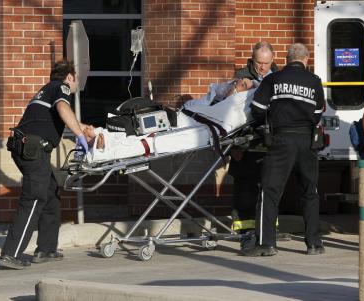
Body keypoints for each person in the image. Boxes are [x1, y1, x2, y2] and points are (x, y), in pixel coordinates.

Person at [0, 60, 89, 269]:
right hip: (34, 150)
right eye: (76, 80)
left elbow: (63, 115)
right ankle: (10, 254)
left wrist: (85, 130)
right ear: (69, 76)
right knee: (34, 198)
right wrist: (79, 136)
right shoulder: (61, 87)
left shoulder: (46, 90)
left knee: (51, 194)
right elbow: (63, 108)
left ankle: (46, 249)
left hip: (27, 148)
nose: (76, 85)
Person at [243, 43, 325, 257]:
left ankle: (266, 244)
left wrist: (267, 121)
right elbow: (318, 112)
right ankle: (314, 243)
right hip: (307, 140)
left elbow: (258, 109)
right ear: (305, 60)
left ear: (287, 59)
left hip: (282, 139)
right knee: (310, 192)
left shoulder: (273, 79)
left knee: (270, 191)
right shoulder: (314, 81)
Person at [82, 78, 257, 162]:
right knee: (135, 124)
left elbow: (253, 96)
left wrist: (243, 89)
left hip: (197, 132)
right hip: (180, 117)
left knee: (151, 142)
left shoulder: (238, 105)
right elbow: (219, 88)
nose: (235, 84)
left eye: (241, 85)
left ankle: (103, 151)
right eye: (237, 81)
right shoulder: (219, 96)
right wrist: (233, 86)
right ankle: (100, 135)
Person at [228, 41, 290, 243]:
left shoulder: (280, 77)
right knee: (245, 188)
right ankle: (245, 230)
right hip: (246, 142)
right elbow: (230, 113)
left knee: (270, 186)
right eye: (258, 63)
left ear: (273, 59)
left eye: (266, 62)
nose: (262, 67)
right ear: (252, 59)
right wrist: (234, 146)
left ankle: (269, 229)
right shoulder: (241, 77)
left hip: (271, 140)